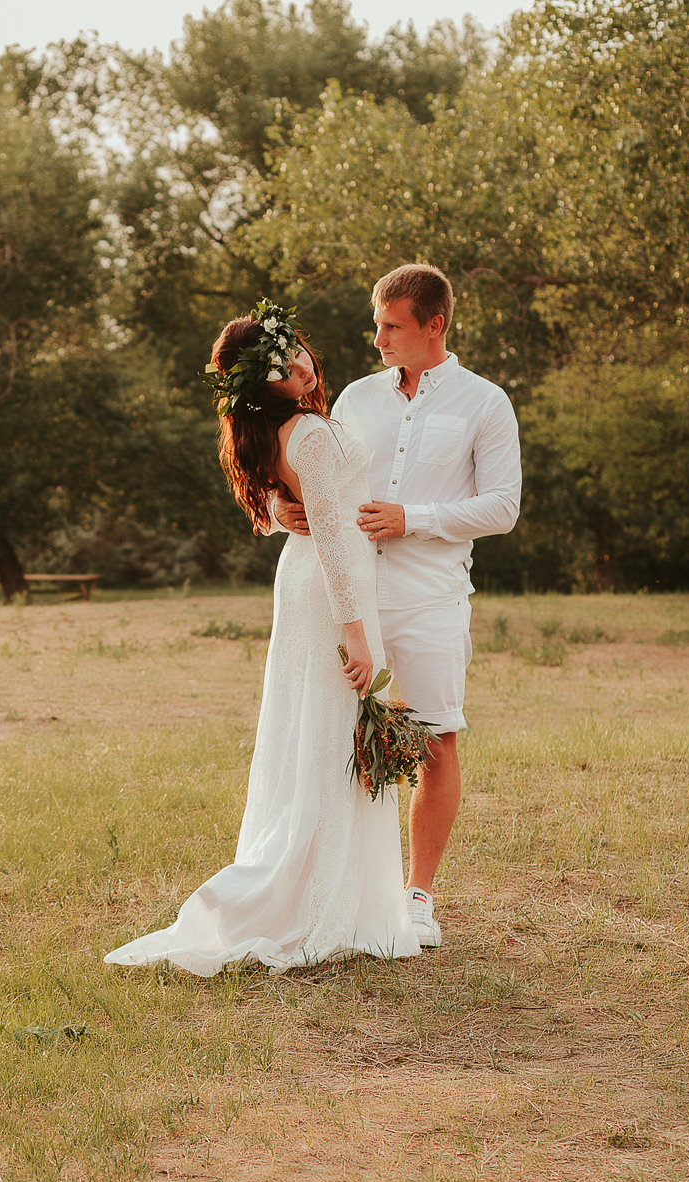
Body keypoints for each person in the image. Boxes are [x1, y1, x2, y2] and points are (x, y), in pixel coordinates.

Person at [105, 302, 419, 976]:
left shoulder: (287, 428)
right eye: (280, 364)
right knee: (330, 732)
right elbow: (331, 536)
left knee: (317, 729)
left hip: (310, 582)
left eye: (295, 348)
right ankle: (314, 899)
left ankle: (340, 894)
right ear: (260, 384)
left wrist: (279, 508)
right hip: (331, 590)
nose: (299, 365)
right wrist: (358, 638)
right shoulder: (308, 432)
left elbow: (300, 509)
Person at [277, 264, 521, 948]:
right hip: (349, 599)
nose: (378, 338)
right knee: (344, 743)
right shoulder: (355, 398)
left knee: (434, 741)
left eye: (392, 326)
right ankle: (352, 893)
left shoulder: (484, 403)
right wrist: (280, 508)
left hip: (429, 598)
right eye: (377, 324)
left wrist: (413, 518)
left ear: (433, 325)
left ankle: (418, 897)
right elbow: (310, 468)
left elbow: (503, 507)